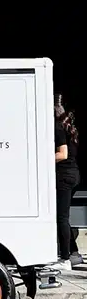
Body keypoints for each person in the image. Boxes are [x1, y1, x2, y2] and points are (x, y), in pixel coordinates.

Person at [55, 94, 81, 269]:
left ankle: (65, 259)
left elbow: (62, 154)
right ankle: (74, 253)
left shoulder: (58, 128)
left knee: (61, 218)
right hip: (74, 174)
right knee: (63, 217)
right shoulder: (71, 128)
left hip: (64, 176)